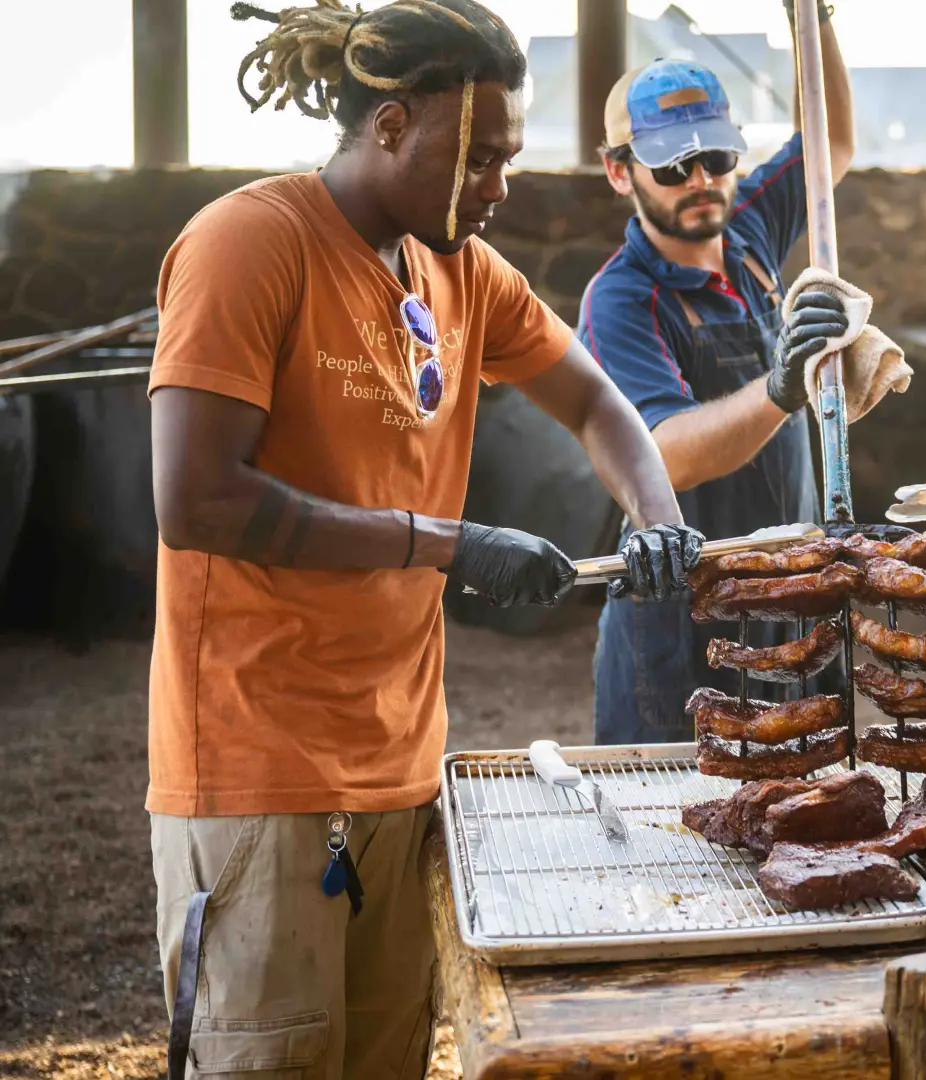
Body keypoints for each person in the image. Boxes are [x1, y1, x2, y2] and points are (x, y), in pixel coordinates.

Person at [146, 2, 700, 1075]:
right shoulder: (250, 244)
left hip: (401, 765)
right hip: (259, 769)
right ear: (392, 125)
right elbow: (198, 500)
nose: (500, 187)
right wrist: (442, 541)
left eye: (509, 157)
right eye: (479, 159)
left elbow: (598, 406)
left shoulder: (459, 270)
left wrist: (660, 519)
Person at [581, 0, 866, 745]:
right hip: (683, 619)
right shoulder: (621, 299)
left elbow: (829, 144)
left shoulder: (747, 233)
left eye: (716, 156)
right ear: (620, 172)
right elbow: (664, 450)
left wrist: (817, 16)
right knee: (674, 832)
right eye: (674, 166)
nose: (701, 178)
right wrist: (779, 390)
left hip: (787, 586)